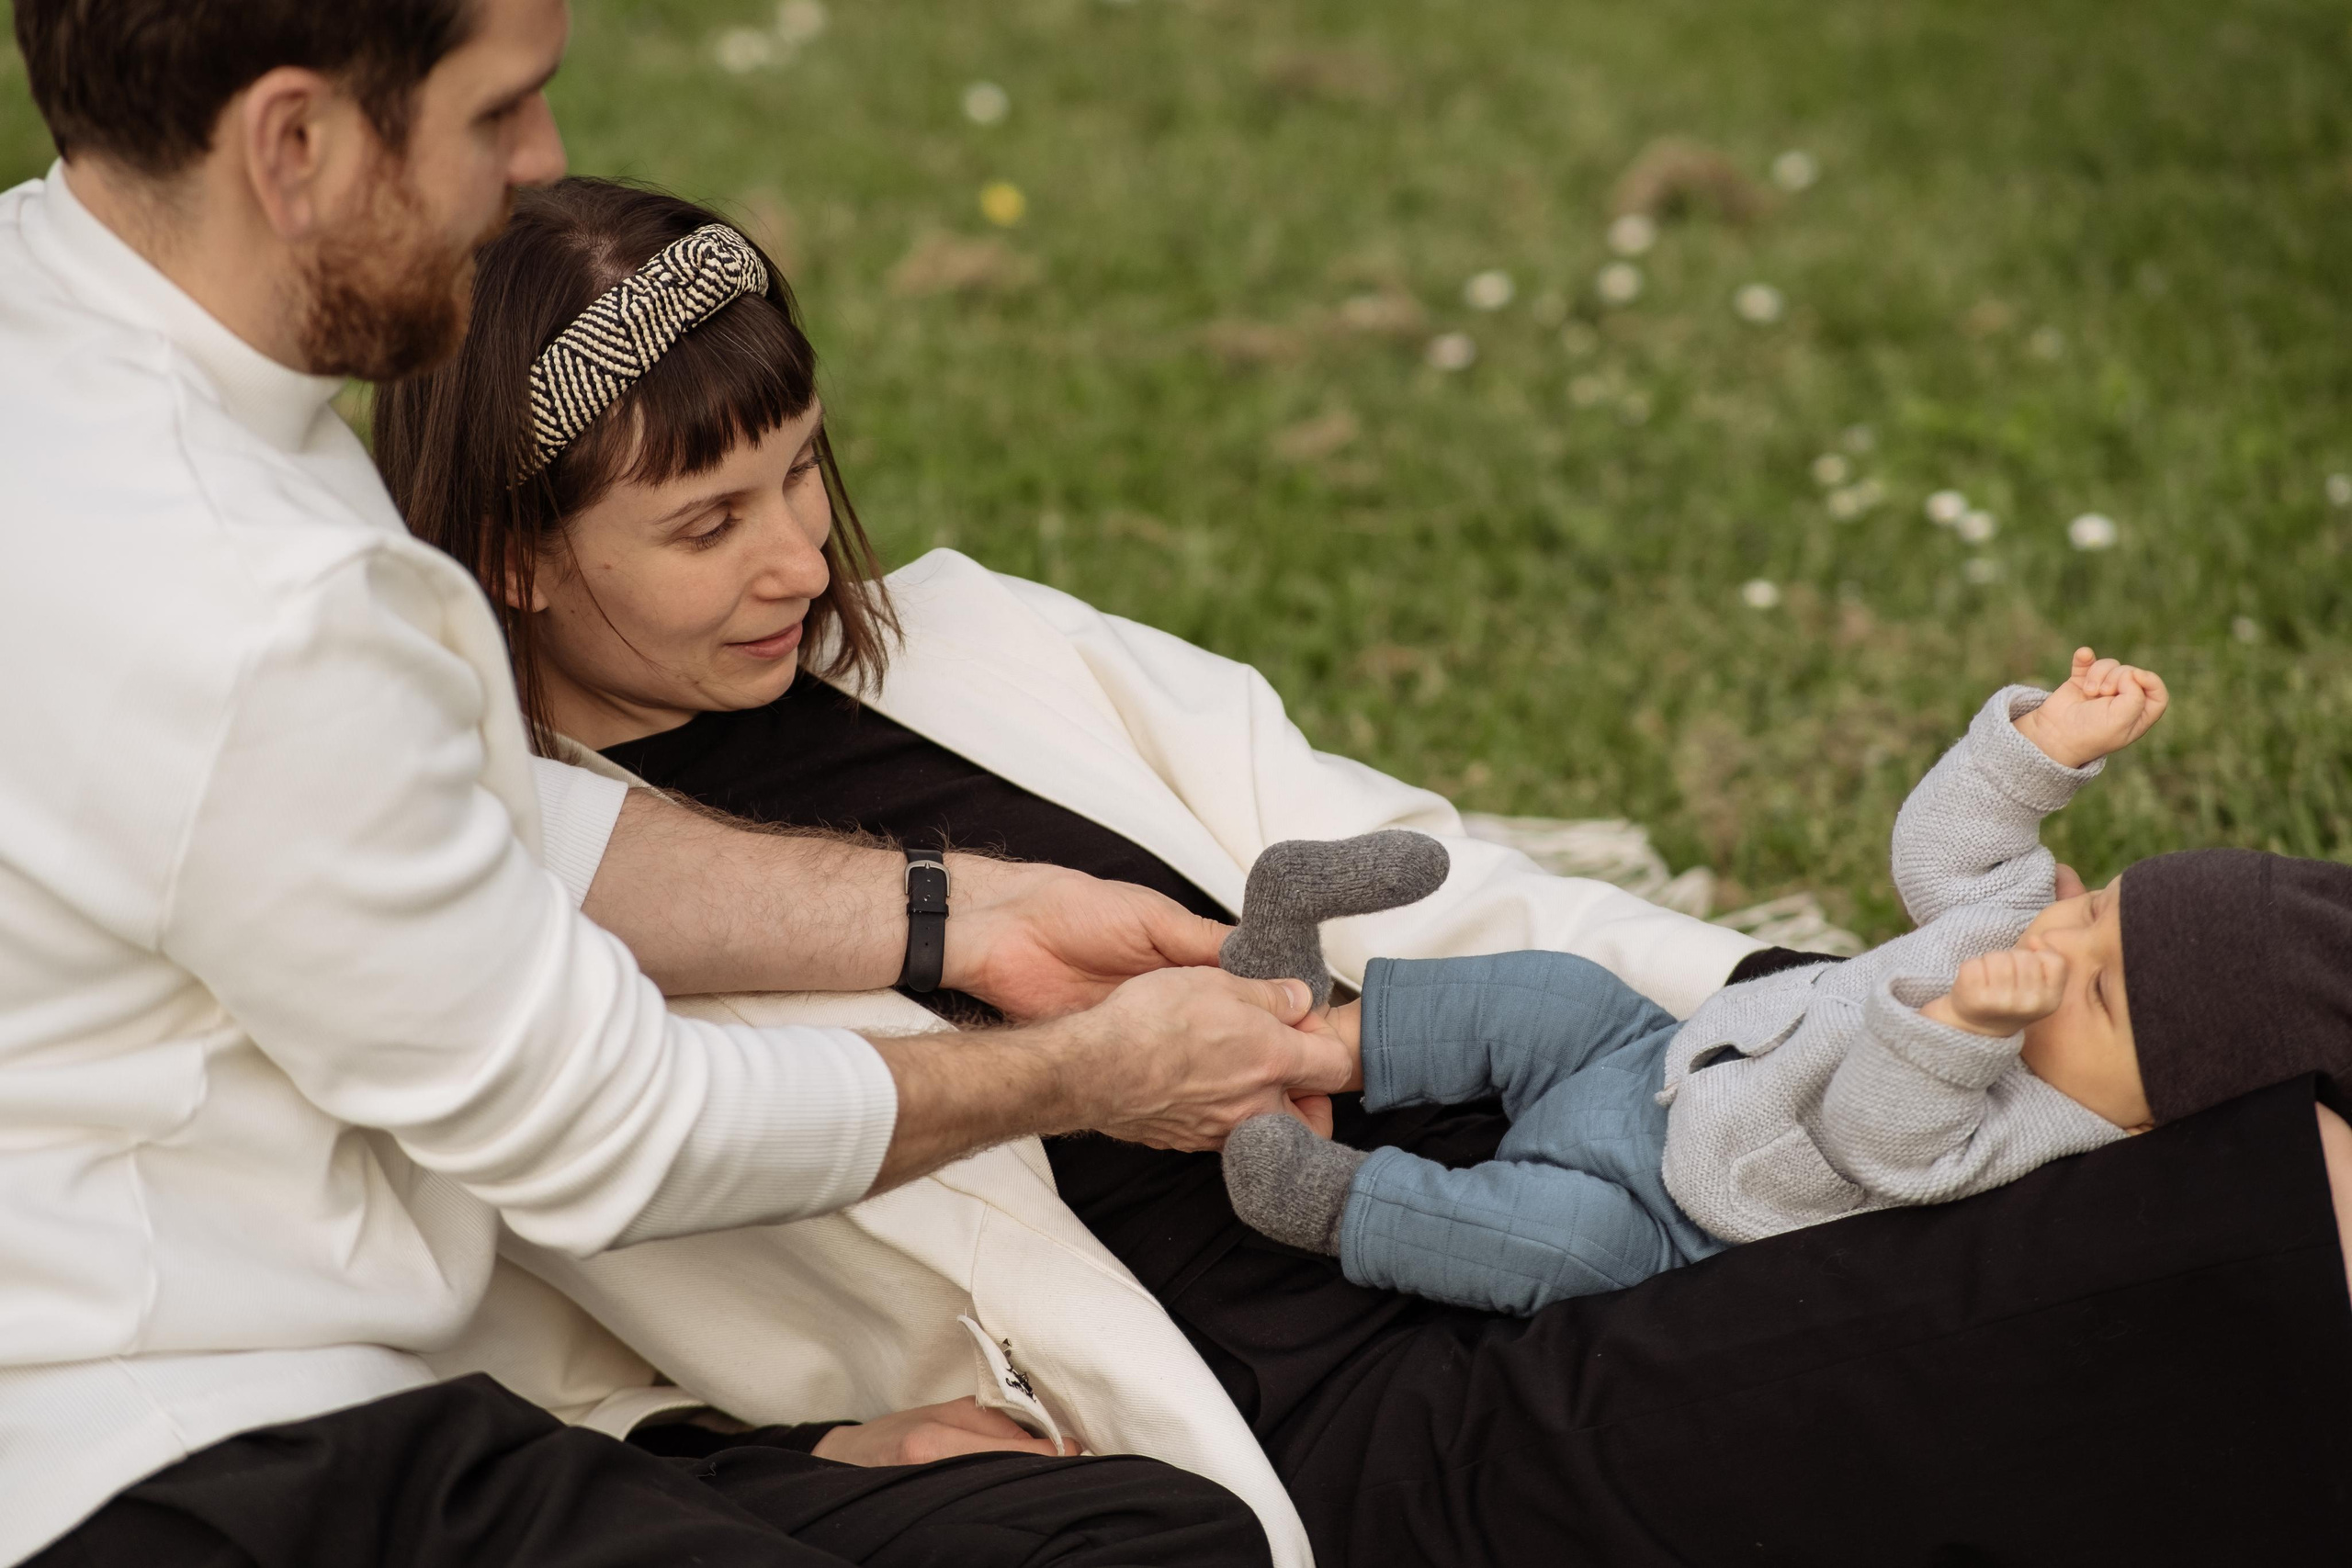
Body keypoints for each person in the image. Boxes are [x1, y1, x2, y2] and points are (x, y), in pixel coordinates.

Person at [381, 175, 2352, 1565]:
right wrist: (805, 1449)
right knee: (2248, 1228)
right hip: (1343, 1420)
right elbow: (450, 1370)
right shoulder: (484, 912)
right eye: (706, 519)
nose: (799, 557)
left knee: (2226, 991)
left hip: (1615, 1172)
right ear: (521, 556)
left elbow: (1451, 900)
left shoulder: (976, 641)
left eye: (801, 469)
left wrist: (1776, 1003)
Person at [0, 4, 1356, 1565]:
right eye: (498, 113)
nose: (540, 165)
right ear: (294, 144)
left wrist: (958, 914)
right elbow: (605, 1127)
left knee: (1111, 1520)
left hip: (323, 1414)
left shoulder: (68, 334)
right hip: (199, 1467)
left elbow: (436, 817)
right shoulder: (251, 603)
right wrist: (1087, 1071)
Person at [1221, 650, 2352, 1316]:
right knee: (1553, 995)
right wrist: (2040, 748)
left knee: (1548, 1250)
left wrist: (1962, 1031)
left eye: (2099, 996)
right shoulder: (2023, 927)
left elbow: (1885, 1143)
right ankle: (1308, 1027)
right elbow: (1941, 854)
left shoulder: (2057, 1134)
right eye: (2097, 906)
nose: (2063, 953)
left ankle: (1327, 1198)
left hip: (1682, 1216)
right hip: (1662, 1058)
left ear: (2152, 1115)